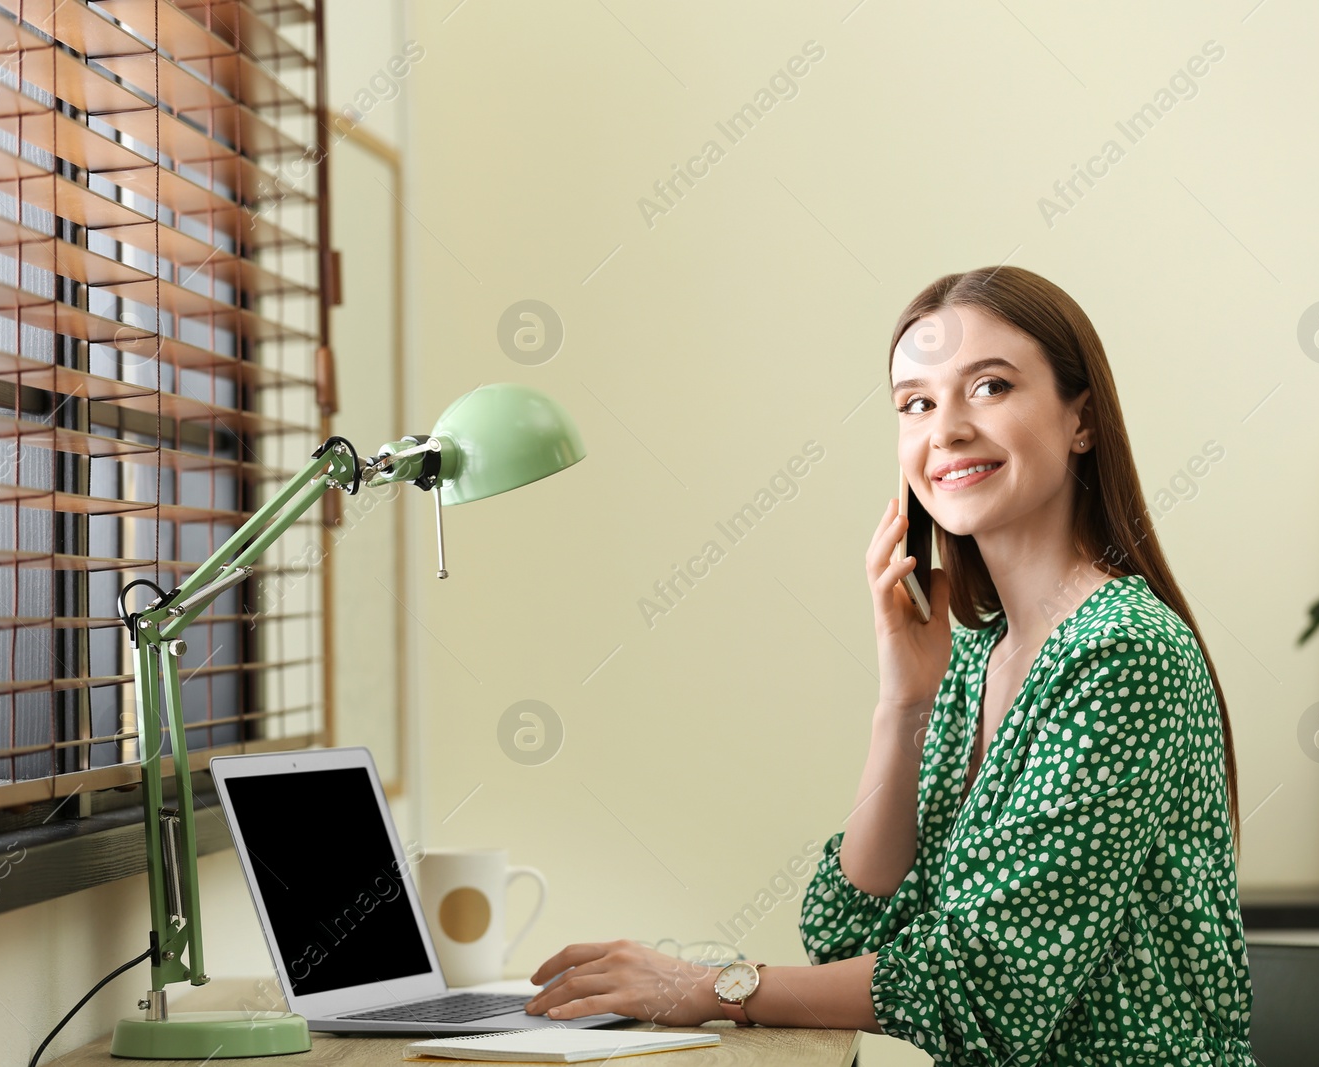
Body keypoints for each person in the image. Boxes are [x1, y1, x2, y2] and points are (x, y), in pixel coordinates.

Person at [523, 266, 1254, 1067]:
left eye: (990, 387)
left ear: (1081, 419)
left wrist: (707, 985)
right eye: (917, 402)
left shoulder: (1122, 652)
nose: (946, 429)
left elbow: (990, 985)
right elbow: (850, 927)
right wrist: (903, 704)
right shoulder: (978, 651)